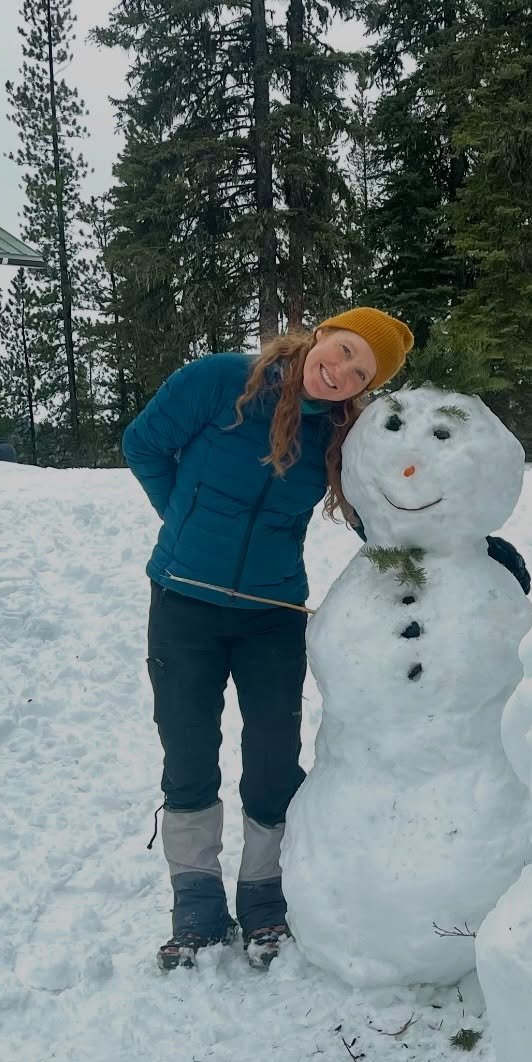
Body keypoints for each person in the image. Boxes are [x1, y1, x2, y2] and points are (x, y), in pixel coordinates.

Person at [124, 308, 413, 971]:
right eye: (342, 350)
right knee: (189, 751)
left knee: (274, 759)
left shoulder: (344, 435)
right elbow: (143, 443)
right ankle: (195, 900)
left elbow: (386, 518)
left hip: (273, 611)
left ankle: (264, 895)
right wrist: (187, 523)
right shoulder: (223, 380)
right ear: (321, 334)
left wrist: (465, 554)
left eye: (359, 373)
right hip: (181, 602)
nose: (339, 371)